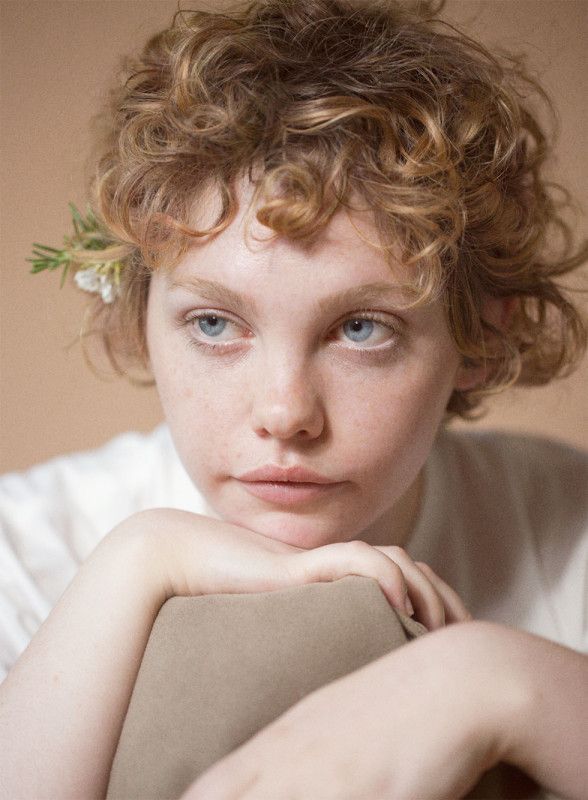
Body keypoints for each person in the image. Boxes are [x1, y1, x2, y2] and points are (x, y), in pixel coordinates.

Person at [1, 0, 587, 798]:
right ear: (138, 319)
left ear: (477, 338)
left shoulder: (569, 532)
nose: (284, 414)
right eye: (214, 322)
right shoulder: (26, 554)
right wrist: (141, 561)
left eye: (361, 329)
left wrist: (490, 677)